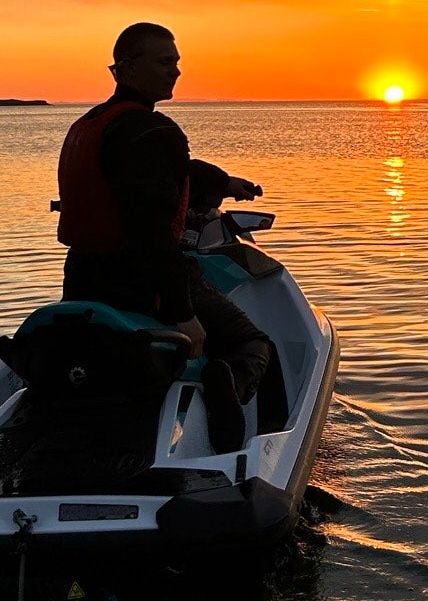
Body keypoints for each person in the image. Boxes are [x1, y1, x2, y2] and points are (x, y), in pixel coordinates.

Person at [55, 22, 272, 453]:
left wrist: (225, 182)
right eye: (164, 62)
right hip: (139, 280)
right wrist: (182, 312)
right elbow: (152, 231)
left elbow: (165, 176)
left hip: (83, 278)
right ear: (128, 67)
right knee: (253, 342)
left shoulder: (93, 123)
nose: (176, 71)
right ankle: (226, 425)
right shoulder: (154, 132)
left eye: (176, 62)